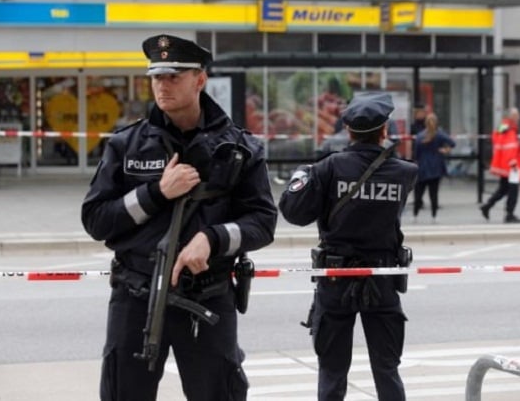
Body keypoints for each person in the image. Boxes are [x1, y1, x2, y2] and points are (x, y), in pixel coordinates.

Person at [81, 34, 278, 401]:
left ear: (200, 80)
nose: (163, 84)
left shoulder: (239, 148)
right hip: (135, 297)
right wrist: (155, 193)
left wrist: (213, 238)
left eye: (174, 76)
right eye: (157, 76)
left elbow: (263, 221)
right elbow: (96, 219)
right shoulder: (126, 144)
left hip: (207, 298)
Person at [278, 92, 418, 401]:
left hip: (335, 280)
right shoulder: (406, 173)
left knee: (332, 372)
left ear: (348, 130)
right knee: (387, 371)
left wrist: (302, 174)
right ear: (385, 130)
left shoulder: (328, 169)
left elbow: (293, 213)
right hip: (382, 280)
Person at [480, 107, 520, 223]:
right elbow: (510, 149)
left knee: (503, 189)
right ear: (512, 117)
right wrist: (514, 165)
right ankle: (509, 214)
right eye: (517, 115)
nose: (519, 117)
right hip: (512, 166)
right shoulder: (510, 130)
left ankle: (487, 205)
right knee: (513, 191)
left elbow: (500, 143)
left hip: (504, 165)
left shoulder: (502, 127)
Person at [412, 113, 456, 223]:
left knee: (419, 193)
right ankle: (434, 216)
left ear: (425, 123)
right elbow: (452, 143)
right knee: (434, 194)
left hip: (422, 168)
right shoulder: (440, 134)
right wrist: (444, 150)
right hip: (436, 168)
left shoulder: (419, 136)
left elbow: (416, 154)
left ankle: (415, 215)